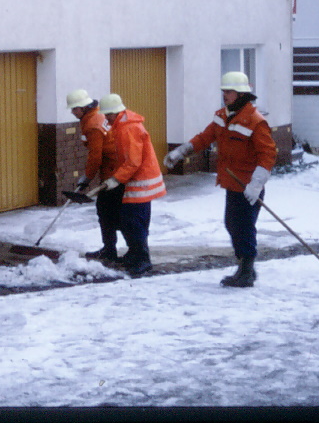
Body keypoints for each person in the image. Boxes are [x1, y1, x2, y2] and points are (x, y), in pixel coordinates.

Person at [163, 71, 276, 288]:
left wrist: (257, 183)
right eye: (224, 91)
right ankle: (246, 268)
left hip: (248, 185)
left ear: (241, 94)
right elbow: (206, 136)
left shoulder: (255, 121)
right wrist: (182, 151)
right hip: (232, 182)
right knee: (233, 224)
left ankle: (246, 271)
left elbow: (268, 155)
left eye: (229, 92)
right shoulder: (223, 115)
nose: (225, 95)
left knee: (242, 227)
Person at [98, 93, 167, 277]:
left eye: (107, 115)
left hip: (141, 181)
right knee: (129, 220)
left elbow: (133, 162)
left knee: (134, 222)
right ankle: (134, 254)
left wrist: (115, 179)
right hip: (136, 179)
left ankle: (142, 260)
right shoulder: (123, 125)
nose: (106, 118)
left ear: (114, 112)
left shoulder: (128, 128)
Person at [65, 89, 123, 263]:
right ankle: (112, 249)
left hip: (113, 171)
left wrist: (87, 178)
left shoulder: (92, 124)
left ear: (83, 107)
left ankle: (110, 250)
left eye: (74, 109)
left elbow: (95, 156)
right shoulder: (95, 116)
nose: (73, 112)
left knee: (106, 210)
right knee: (109, 211)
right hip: (113, 168)